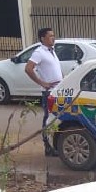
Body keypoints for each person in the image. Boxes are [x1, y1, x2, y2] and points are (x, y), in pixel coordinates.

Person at [24, 27, 62, 157]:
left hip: (57, 90)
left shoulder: (52, 51)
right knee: (48, 119)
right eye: (50, 36)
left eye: (53, 35)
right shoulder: (39, 52)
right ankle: (47, 146)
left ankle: (54, 145)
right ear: (42, 38)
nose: (53, 38)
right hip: (48, 92)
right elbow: (28, 69)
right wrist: (42, 83)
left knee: (57, 118)